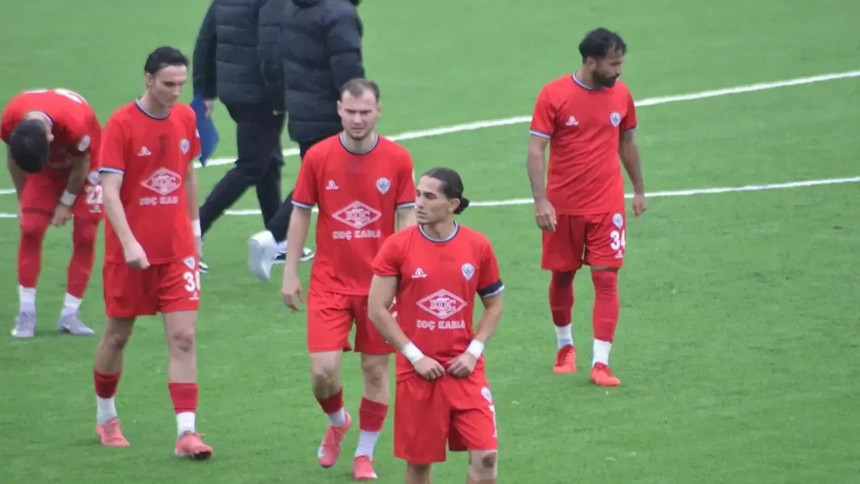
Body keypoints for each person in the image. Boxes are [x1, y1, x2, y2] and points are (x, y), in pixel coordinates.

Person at [280, 78, 416, 481]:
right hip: (330, 282)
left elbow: (407, 218)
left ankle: (364, 454)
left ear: (378, 111)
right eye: (351, 111)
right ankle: (338, 421)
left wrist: (406, 276)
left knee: (375, 371)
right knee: (323, 372)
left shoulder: (397, 159)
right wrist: (290, 271)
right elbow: (301, 212)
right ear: (339, 109)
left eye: (365, 112)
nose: (358, 119)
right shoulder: (319, 157)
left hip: (380, 285)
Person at [90, 46, 213, 459]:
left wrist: (195, 232)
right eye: (168, 84)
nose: (176, 92)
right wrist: (129, 242)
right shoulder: (121, 124)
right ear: (148, 79)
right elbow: (109, 191)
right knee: (118, 335)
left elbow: (187, 174)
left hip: (177, 250)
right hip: (131, 254)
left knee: (184, 336)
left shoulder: (185, 117)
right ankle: (106, 416)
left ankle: (187, 433)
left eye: (181, 84)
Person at [526, 27, 647, 386]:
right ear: (591, 62)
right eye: (613, 64)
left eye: (621, 63)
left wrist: (639, 189)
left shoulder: (622, 95)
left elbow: (628, 142)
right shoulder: (554, 94)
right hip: (563, 207)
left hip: (607, 205)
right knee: (562, 276)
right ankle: (565, 347)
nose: (619, 71)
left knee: (606, 278)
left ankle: (601, 363)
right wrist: (540, 201)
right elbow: (536, 150)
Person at [368, 167, 504, 484]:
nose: (419, 202)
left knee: (486, 457)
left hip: (465, 371)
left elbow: (494, 304)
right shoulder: (397, 246)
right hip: (418, 375)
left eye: (429, 196)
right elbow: (376, 310)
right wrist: (416, 357)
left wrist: (473, 352)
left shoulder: (478, 246)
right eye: (418, 194)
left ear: (452, 204)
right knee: (419, 466)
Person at [247, 0, 364, 280]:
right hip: (330, 113)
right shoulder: (340, 14)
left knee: (324, 180)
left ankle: (283, 238)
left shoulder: (295, 6)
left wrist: (280, 99)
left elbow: (275, 57)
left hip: (302, 109)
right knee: (326, 181)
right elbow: (347, 69)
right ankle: (273, 236)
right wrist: (358, 111)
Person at [192, 0, 290, 273]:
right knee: (251, 167)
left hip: (234, 92)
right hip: (261, 94)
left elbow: (206, 40)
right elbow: (271, 48)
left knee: (268, 159)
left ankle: (277, 239)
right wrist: (279, 96)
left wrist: (204, 91)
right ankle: (194, 231)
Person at [2, 88, 103, 339]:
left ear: (50, 136)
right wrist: (22, 197)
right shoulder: (9, 120)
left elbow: (81, 165)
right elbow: (14, 160)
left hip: (87, 164)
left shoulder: (76, 124)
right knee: (30, 228)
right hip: (44, 168)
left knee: (86, 235)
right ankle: (26, 313)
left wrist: (66, 203)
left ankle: (70, 314)